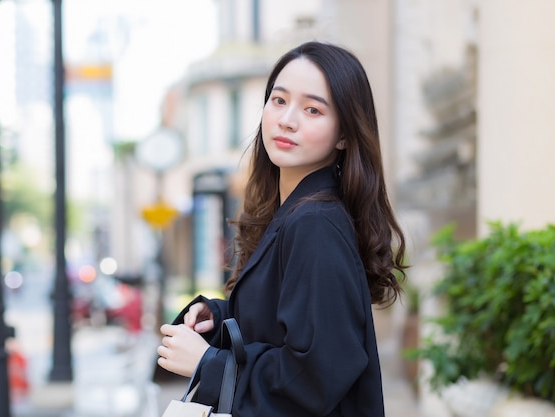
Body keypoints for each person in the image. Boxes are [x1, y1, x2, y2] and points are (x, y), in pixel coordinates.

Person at [157, 40, 407, 417]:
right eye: (278, 100)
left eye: (312, 109)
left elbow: (316, 375)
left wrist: (207, 363)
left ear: (343, 135)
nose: (288, 119)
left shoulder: (316, 224)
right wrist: (222, 316)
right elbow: (290, 322)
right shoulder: (293, 213)